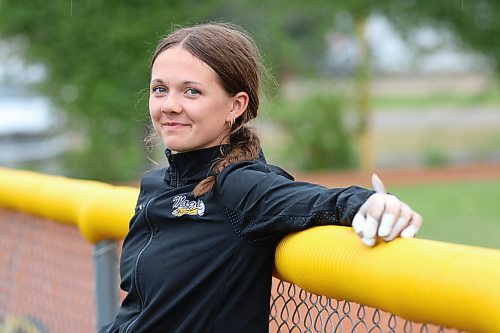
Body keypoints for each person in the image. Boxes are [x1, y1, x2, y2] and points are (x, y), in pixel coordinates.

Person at [99, 22, 422, 333]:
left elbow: (316, 201)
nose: (169, 105)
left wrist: (372, 202)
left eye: (191, 92)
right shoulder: (156, 186)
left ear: (235, 106)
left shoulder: (238, 184)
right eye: (160, 90)